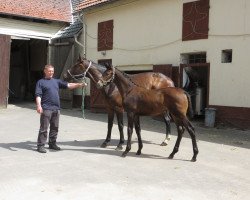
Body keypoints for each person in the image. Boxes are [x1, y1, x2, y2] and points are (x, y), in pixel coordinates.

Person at [35, 64, 87, 153]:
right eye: (49, 71)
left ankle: (52, 143)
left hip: (56, 108)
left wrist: (79, 84)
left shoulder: (56, 81)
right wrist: (39, 106)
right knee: (44, 128)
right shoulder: (40, 82)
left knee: (55, 127)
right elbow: (38, 95)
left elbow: (68, 85)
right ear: (45, 71)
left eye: (52, 71)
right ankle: (40, 146)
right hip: (46, 108)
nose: (51, 72)